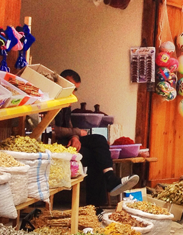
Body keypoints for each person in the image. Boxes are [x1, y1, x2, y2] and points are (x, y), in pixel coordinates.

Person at [51, 69, 139, 207]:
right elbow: (52, 129)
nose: (73, 93)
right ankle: (96, 203)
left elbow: (68, 125)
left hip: (67, 141)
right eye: (71, 88)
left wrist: (75, 137)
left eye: (76, 90)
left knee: (99, 140)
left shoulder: (67, 102)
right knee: (93, 156)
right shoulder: (50, 100)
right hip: (53, 144)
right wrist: (77, 132)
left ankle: (110, 178)